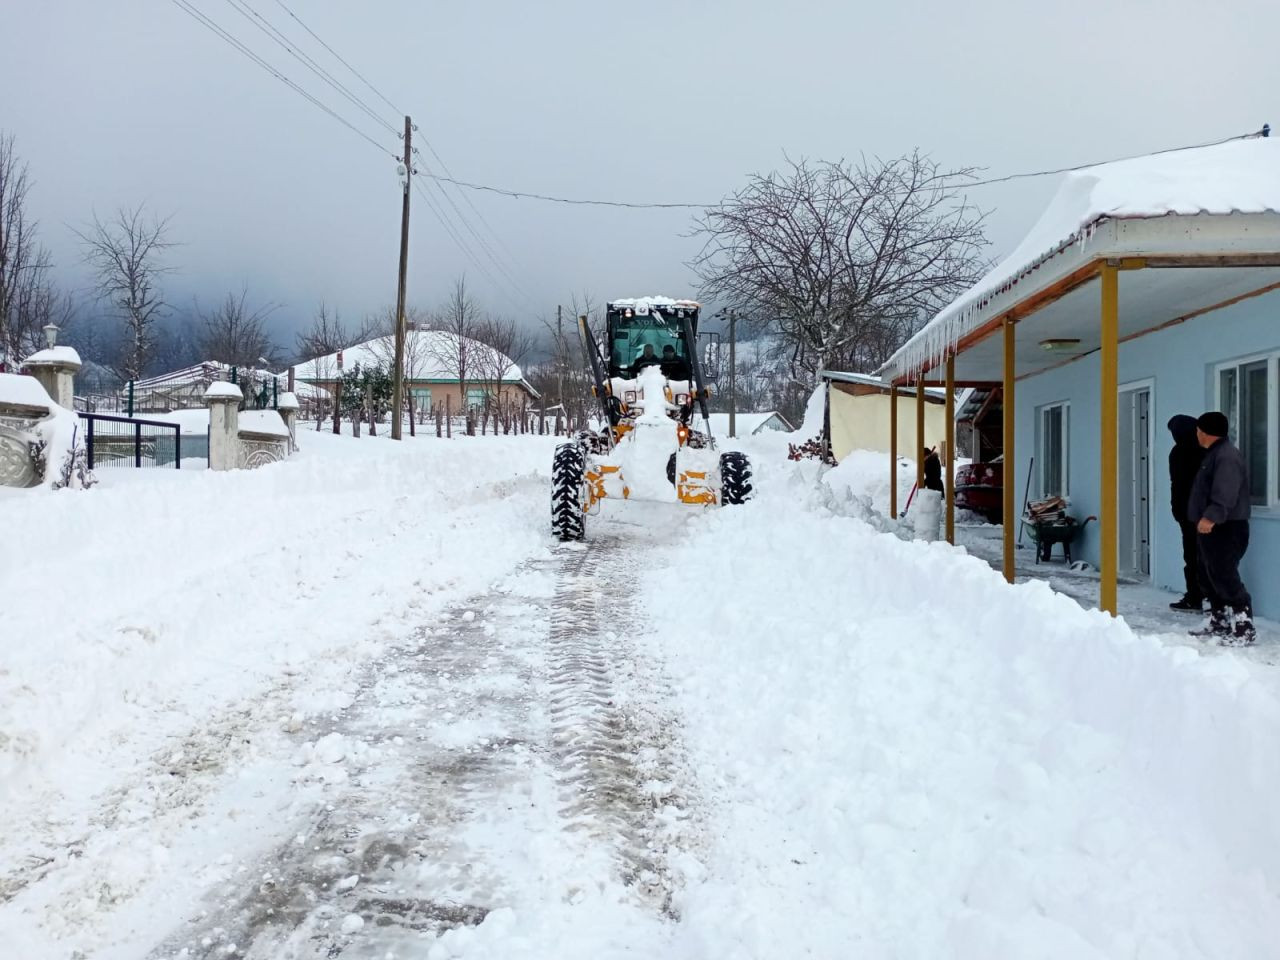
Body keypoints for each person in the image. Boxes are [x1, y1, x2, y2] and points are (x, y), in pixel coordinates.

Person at [1187, 411, 1254, 645]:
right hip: (1212, 527)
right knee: (1208, 574)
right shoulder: (1214, 454)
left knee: (1224, 575)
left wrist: (1211, 517)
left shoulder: (1226, 456)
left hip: (1226, 527)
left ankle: (1244, 625)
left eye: (1198, 430)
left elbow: (1226, 492)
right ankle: (1219, 621)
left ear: (1205, 432)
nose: (1196, 434)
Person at [1167, 415, 1206, 611]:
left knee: (1192, 556)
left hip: (1189, 514)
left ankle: (1195, 596)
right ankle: (1207, 595)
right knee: (1206, 555)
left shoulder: (1178, 453)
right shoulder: (1206, 450)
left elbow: (1178, 485)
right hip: (1206, 513)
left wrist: (1177, 509)